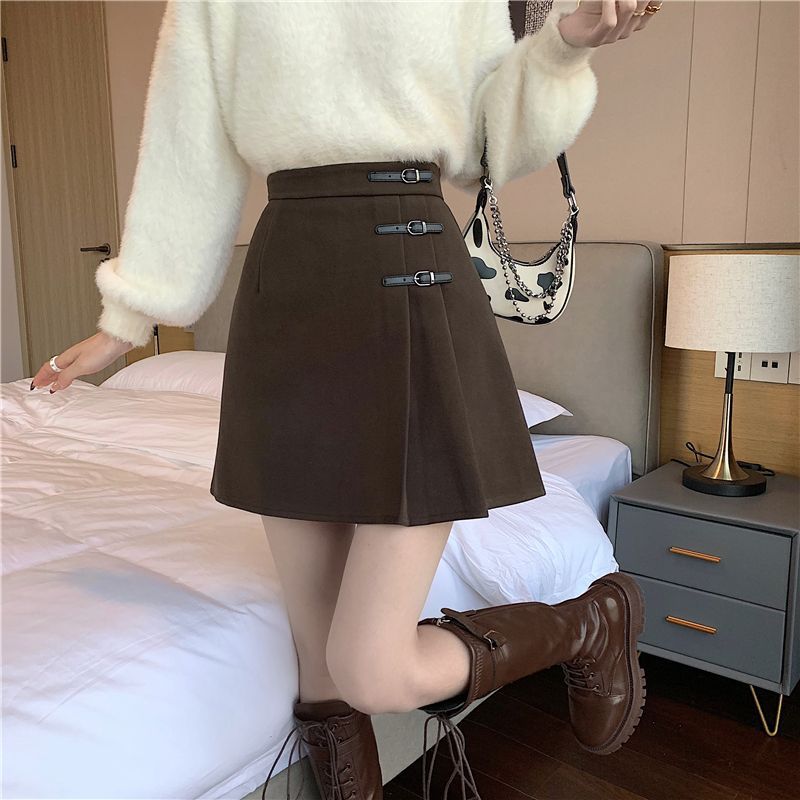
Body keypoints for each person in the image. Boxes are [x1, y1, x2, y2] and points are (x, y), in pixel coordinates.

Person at [30, 1, 663, 798]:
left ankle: (589, 622)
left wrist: (563, 49)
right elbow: (188, 148)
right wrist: (126, 321)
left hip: (410, 274)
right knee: (318, 658)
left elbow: (487, 147)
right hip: (287, 284)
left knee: (368, 668)